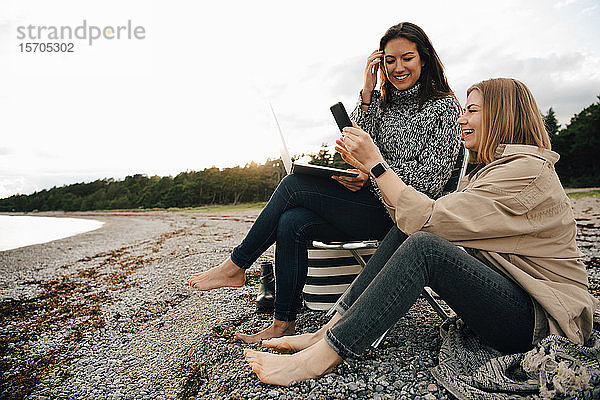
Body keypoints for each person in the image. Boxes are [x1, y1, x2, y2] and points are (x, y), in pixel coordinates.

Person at [244, 78, 599, 386]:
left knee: (424, 245)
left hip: (540, 321)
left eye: (472, 111)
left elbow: (429, 219)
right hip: (515, 299)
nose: (461, 119)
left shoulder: (525, 172)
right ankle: (328, 329)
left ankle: (320, 358)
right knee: (407, 230)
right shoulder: (495, 170)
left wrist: (376, 162)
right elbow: (420, 218)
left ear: (502, 115)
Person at [187, 22, 462, 343]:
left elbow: (423, 186)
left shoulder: (442, 108)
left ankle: (237, 265)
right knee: (293, 221)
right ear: (380, 63)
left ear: (424, 59)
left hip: (400, 218)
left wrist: (369, 174)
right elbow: (356, 140)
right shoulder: (385, 104)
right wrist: (368, 92)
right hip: (370, 203)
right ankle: (282, 323)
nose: (398, 68)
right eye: (389, 60)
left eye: (407, 58)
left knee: (292, 186)